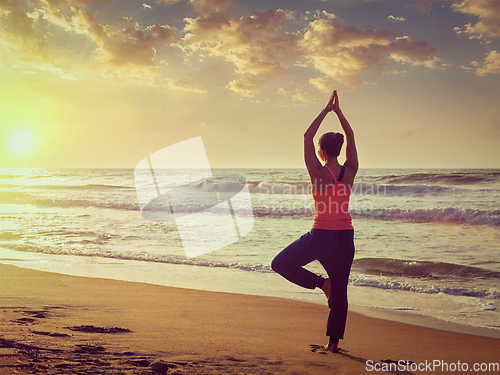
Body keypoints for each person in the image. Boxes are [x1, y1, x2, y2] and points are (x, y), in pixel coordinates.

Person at [271, 90, 358, 353]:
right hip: (345, 237)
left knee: (280, 263)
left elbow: (307, 136)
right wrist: (339, 113)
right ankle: (333, 344)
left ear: (320, 152)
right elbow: (351, 136)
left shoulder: (318, 171)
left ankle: (322, 284)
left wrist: (325, 110)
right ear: (340, 150)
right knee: (341, 290)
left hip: (321, 236)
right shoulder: (350, 169)